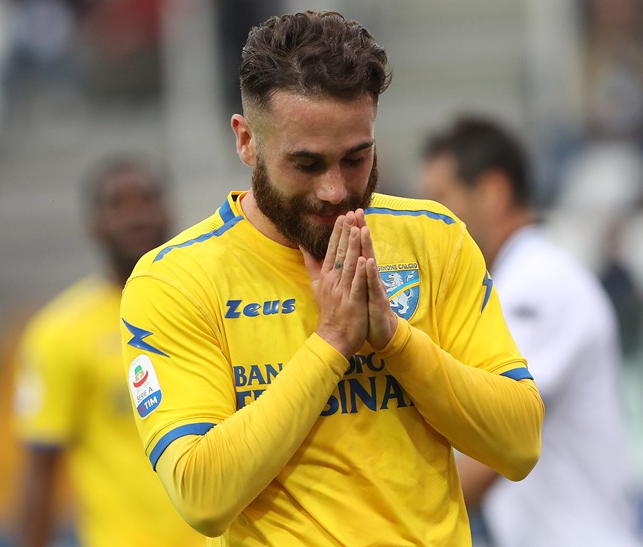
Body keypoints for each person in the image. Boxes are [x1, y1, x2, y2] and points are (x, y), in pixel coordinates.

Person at [120, 11, 544, 546]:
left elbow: (519, 445)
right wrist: (332, 342)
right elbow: (202, 496)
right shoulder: (175, 280)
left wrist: (394, 339)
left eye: (356, 158)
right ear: (247, 141)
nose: (335, 190)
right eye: (307, 164)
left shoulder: (433, 239)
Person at [420, 116, 641, 547]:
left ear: (493, 192)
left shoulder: (540, 283)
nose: (427, 220)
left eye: (440, 200)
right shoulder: (518, 281)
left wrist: (394, 518)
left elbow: (500, 430)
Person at [13, 156, 206, 547]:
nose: (135, 216)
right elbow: (41, 467)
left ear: (169, 209)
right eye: (117, 204)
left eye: (147, 199)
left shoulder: (212, 308)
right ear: (94, 223)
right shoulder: (60, 332)